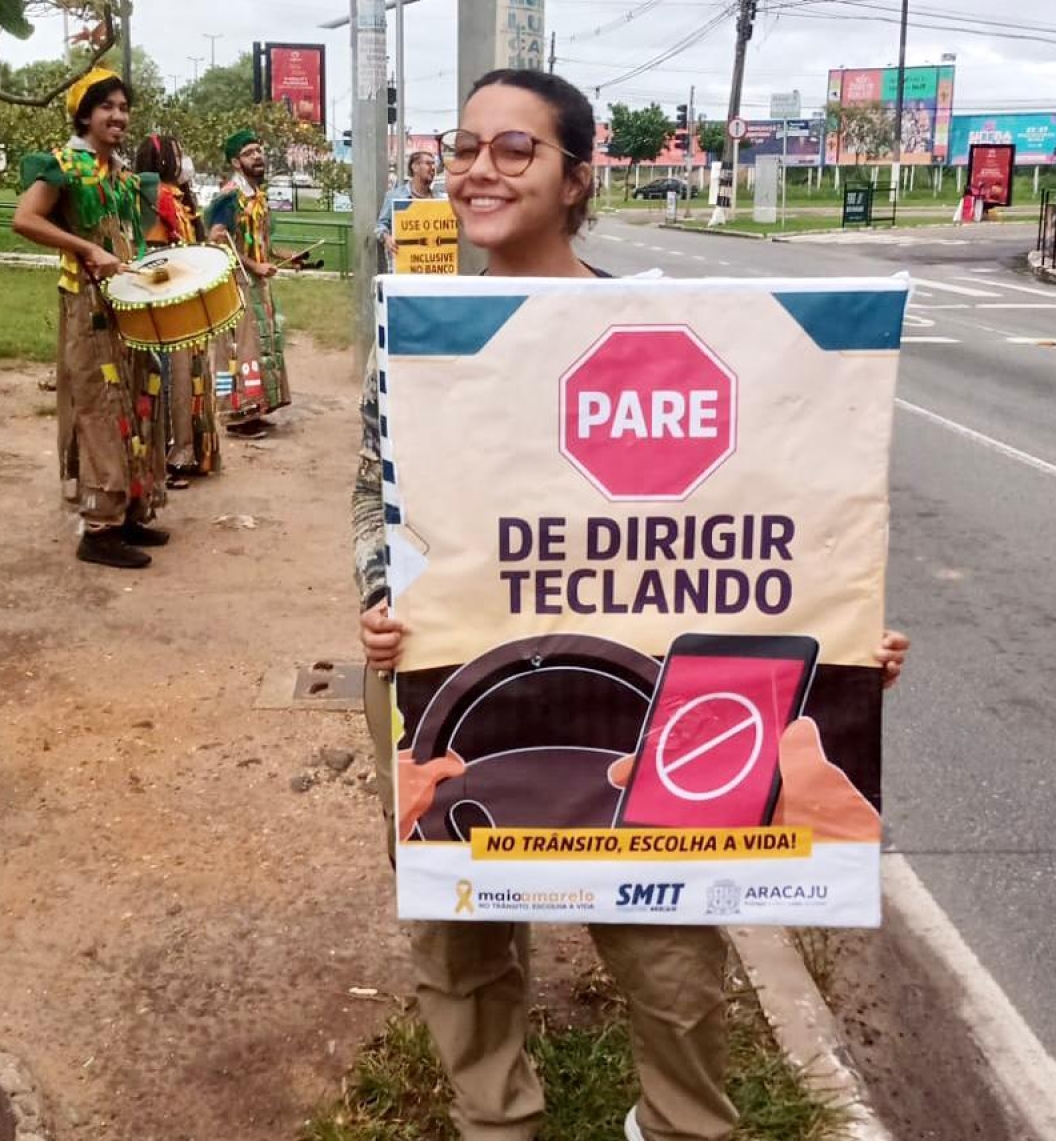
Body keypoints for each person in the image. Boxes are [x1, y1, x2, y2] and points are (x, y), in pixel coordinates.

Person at [353, 69, 912, 1141]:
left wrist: (846, 626)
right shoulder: (421, 336)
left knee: (674, 959)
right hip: (452, 689)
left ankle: (682, 1124)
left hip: (641, 718)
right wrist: (379, 598)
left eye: (515, 149)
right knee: (460, 939)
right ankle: (496, 1121)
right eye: (465, 145)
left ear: (576, 177)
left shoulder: (675, 326)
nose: (478, 168)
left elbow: (776, 514)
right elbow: (371, 493)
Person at [13, 67, 168, 569]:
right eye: (107, 107)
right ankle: (98, 529)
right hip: (88, 305)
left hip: (129, 303)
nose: (118, 116)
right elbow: (24, 219)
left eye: (123, 108)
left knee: (137, 396)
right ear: (84, 114)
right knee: (101, 402)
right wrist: (85, 249)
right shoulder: (62, 165)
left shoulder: (121, 173)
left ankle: (129, 512)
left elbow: (133, 234)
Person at [133, 133, 220, 486]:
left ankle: (183, 452)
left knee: (183, 379)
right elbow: (153, 259)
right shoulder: (158, 198)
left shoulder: (177, 199)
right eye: (180, 155)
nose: (186, 163)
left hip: (181, 303)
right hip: (167, 306)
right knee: (170, 380)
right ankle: (171, 456)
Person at [205, 129, 291, 437]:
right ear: (235, 162)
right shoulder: (230, 197)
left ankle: (256, 408)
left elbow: (260, 242)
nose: (258, 156)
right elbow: (219, 239)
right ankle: (235, 414)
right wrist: (255, 265)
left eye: (259, 150)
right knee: (238, 349)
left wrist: (286, 256)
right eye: (249, 152)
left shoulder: (257, 197)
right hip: (236, 283)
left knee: (261, 346)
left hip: (255, 283)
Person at [375, 149, 439, 268]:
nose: (433, 168)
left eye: (434, 163)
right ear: (414, 167)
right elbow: (380, 226)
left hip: (433, 267)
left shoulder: (440, 200)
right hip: (404, 267)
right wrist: (387, 238)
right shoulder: (395, 196)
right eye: (428, 163)